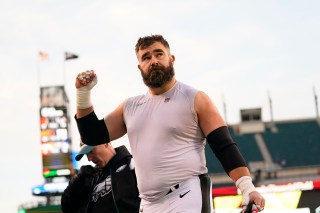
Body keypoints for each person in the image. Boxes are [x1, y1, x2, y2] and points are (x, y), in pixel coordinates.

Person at [74, 35, 265, 212]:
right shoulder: (130, 107)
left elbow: (224, 146)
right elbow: (92, 136)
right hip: (148, 203)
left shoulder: (195, 98)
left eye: (159, 54)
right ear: (140, 67)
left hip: (186, 194)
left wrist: (247, 187)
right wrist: (83, 95)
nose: (154, 61)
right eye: (146, 57)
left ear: (171, 58)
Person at [61, 142, 140, 213]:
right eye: (86, 154)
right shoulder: (90, 178)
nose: (89, 159)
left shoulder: (131, 165)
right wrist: (76, 182)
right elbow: (67, 208)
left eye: (91, 151)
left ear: (105, 143)